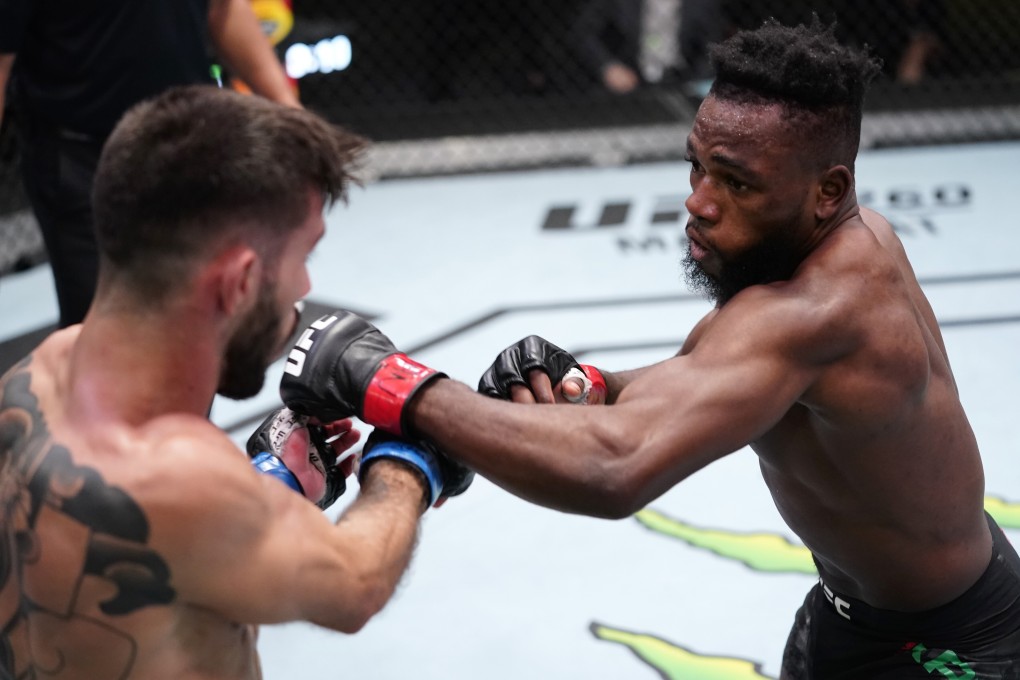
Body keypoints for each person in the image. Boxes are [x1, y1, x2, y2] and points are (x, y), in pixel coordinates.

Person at [272, 17, 1020, 677]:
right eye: (697, 164)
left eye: (736, 183)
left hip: (954, 648)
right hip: (850, 612)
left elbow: (614, 468)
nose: (697, 201)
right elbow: (707, 377)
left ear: (828, 190)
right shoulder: (840, 251)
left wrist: (386, 381)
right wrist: (590, 383)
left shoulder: (814, 314)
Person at [0, 85, 471, 679]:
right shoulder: (180, 475)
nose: (302, 288)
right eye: (303, 258)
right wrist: (410, 456)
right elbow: (356, 583)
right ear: (240, 282)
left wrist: (271, 485)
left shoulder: (30, 380)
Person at [0, 0, 299, 329]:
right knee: (105, 325)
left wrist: (289, 110)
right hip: (81, 157)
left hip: (190, 143)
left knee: (211, 309)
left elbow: (224, 8)